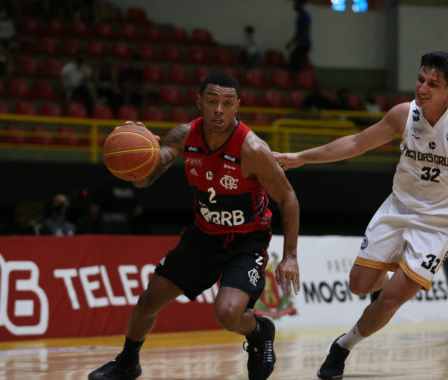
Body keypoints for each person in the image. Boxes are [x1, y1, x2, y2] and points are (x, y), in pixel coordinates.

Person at [274, 51, 448, 379]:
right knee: (358, 285)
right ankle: (387, 275)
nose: (422, 88)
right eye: (420, 79)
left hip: (441, 222)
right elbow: (355, 143)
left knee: (391, 300)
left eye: (432, 84)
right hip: (398, 208)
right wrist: (302, 157)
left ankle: (342, 347)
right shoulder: (403, 115)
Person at [88, 72, 301, 380]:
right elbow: (146, 179)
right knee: (149, 300)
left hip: (246, 241)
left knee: (227, 313)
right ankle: (128, 362)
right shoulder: (185, 135)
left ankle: (260, 332)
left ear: (237, 107)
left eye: (227, 103)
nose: (219, 110)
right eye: (212, 101)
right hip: (203, 237)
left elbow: (289, 198)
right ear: (198, 102)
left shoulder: (253, 149)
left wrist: (291, 255)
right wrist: (140, 153)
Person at [286, 0, 311, 71]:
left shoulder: (305, 16)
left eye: (296, 3)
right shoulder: (300, 16)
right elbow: (298, 33)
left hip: (304, 44)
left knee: (296, 64)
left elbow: (305, 31)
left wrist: (299, 42)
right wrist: (291, 42)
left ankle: (299, 80)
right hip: (301, 44)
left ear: (301, 4)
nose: (294, 5)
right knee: (295, 62)